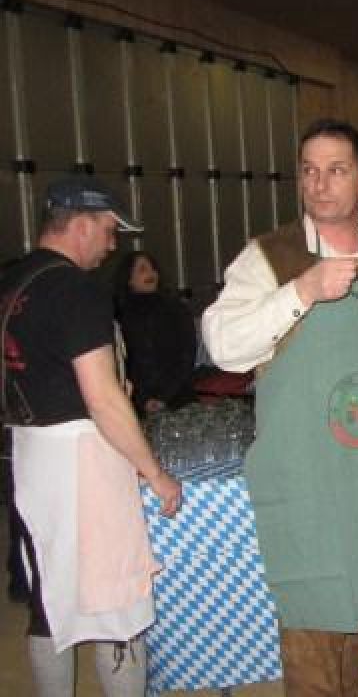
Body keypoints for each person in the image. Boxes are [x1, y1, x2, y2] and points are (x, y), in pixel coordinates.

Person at [201, 119, 358, 697]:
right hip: (306, 477)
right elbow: (222, 344)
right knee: (314, 615)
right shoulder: (269, 257)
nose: (320, 184)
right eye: (309, 171)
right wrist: (302, 290)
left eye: (336, 170)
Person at [0, 176, 181, 697]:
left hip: (29, 455)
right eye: (107, 229)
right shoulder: (76, 289)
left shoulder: (13, 281)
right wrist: (155, 473)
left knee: (49, 600)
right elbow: (102, 399)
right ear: (80, 224)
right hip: (84, 460)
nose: (112, 243)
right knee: (118, 606)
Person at [113, 251, 197, 414]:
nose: (151, 274)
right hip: (136, 402)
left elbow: (187, 355)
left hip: (178, 398)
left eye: (153, 269)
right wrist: (142, 398)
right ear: (129, 279)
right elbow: (123, 363)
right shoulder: (119, 315)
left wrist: (163, 396)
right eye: (143, 269)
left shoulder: (176, 309)